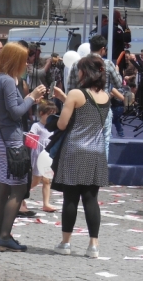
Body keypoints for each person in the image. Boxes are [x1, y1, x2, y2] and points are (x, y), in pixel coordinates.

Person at [0, 42, 47, 253]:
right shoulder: (6, 81)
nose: (26, 63)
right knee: (19, 187)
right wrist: (32, 97)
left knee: (3, 186)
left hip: (1, 137)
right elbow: (16, 111)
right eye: (23, 59)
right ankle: (4, 235)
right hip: (11, 139)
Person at [52, 55, 111, 258]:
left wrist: (64, 101)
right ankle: (93, 245)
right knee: (91, 198)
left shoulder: (76, 93)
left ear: (85, 72)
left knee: (70, 197)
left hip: (75, 149)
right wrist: (64, 98)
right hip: (96, 150)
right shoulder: (106, 96)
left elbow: (62, 124)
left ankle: (65, 242)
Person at [66, 35, 124, 156]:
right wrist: (117, 71)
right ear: (103, 49)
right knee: (104, 142)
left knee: (81, 140)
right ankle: (100, 173)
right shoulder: (107, 64)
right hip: (103, 106)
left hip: (82, 107)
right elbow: (119, 84)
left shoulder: (77, 64)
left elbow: (70, 89)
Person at [29, 100, 57, 213]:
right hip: (38, 156)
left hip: (48, 156)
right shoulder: (37, 125)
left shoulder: (54, 127)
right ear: (41, 113)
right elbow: (31, 136)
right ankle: (21, 195)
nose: (51, 117)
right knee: (35, 180)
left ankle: (46, 203)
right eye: (49, 114)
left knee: (47, 180)